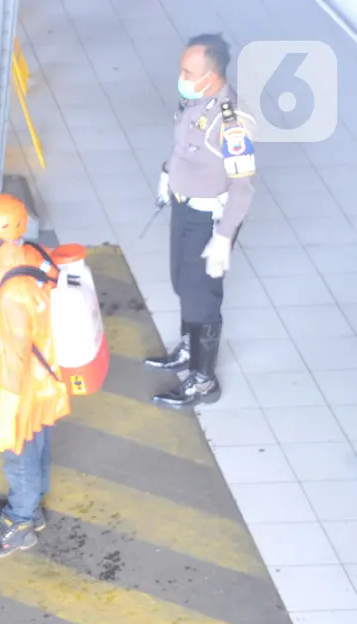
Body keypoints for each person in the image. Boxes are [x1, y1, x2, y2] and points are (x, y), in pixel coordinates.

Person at [0, 194, 71, 559]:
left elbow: (17, 355)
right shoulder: (24, 257)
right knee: (37, 449)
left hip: (21, 391)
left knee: (18, 456)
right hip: (41, 383)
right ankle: (29, 506)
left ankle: (20, 524)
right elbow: (25, 326)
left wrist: (6, 416)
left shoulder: (12, 289)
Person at [145, 33, 255, 407]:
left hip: (208, 221)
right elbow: (182, 147)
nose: (182, 76)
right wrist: (167, 173)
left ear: (212, 75)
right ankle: (188, 349)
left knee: (202, 297)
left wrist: (224, 237)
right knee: (182, 281)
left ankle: (203, 381)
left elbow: (243, 188)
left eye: (188, 71)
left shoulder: (231, 123)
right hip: (183, 207)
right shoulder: (196, 102)